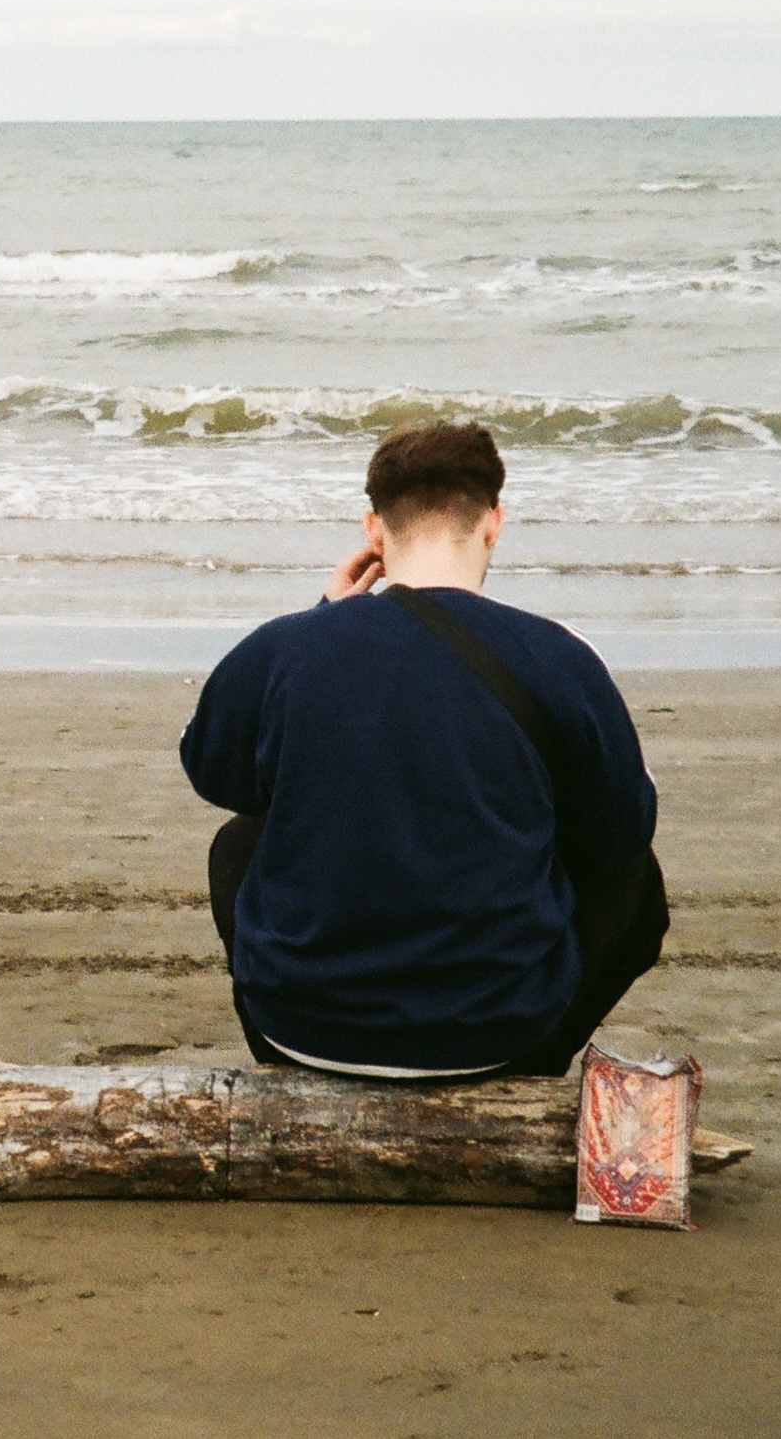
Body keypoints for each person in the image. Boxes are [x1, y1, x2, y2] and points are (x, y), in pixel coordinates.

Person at [179, 420, 666, 1078]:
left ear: (374, 532)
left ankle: (299, 1034)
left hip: (299, 1028)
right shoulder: (560, 657)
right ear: (493, 523)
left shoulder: (286, 647)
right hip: (498, 1034)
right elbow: (624, 829)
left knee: (239, 842)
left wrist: (325, 616)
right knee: (635, 873)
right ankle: (537, 1056)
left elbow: (214, 772)